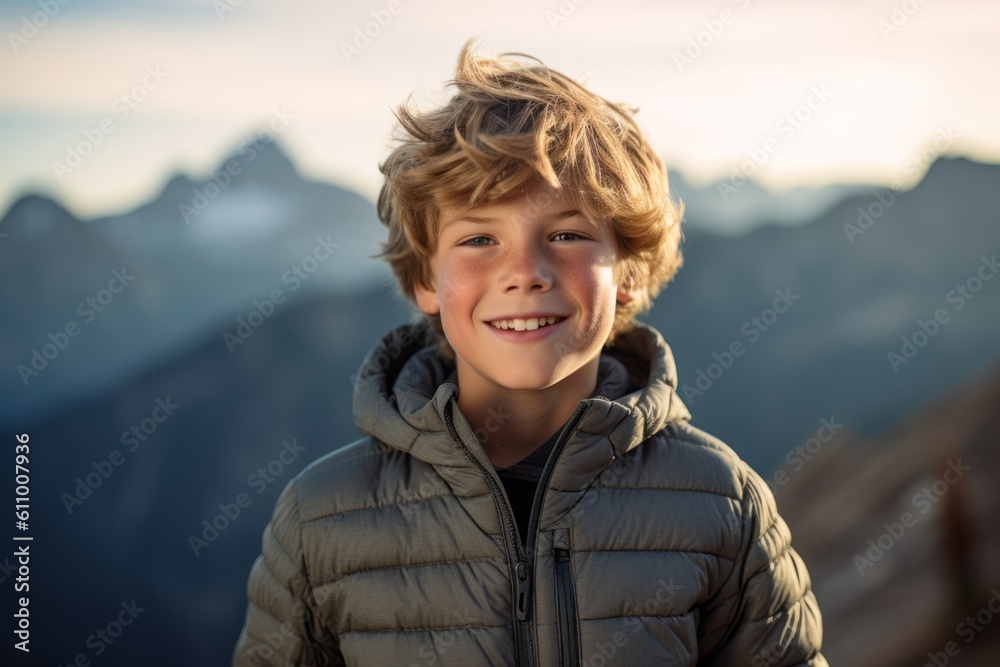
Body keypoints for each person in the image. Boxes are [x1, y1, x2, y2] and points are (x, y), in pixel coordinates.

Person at [233, 36, 826, 666]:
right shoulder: (320, 519)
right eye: (480, 237)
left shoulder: (721, 504)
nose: (526, 271)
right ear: (425, 281)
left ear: (625, 271)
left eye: (567, 233)